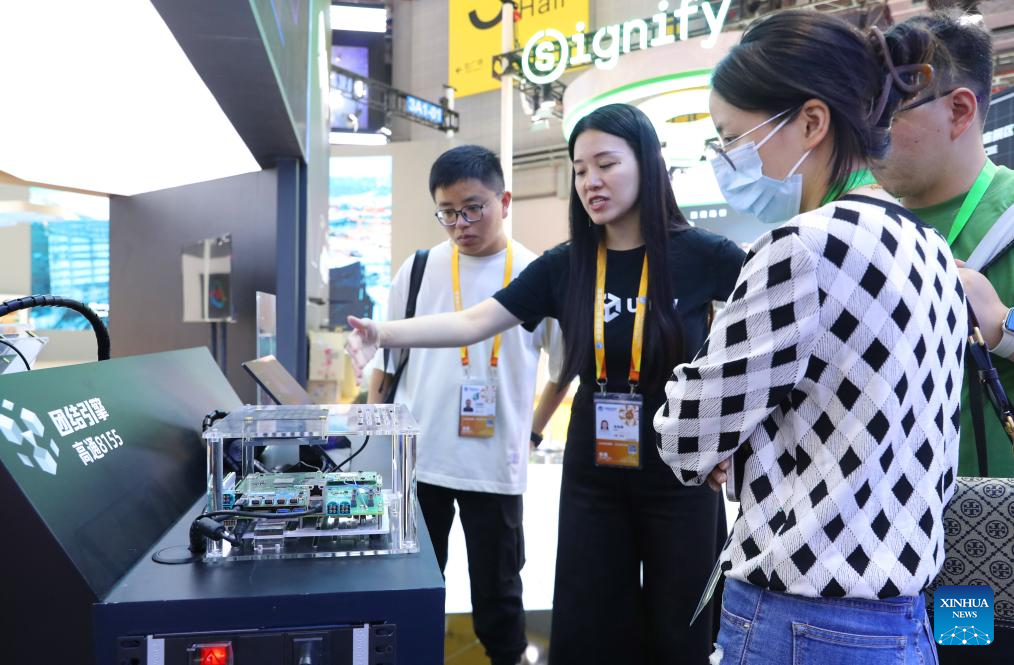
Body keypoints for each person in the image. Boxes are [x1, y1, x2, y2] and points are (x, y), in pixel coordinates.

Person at [347, 104, 745, 664]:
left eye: (606, 164)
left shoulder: (708, 256)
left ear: (648, 164)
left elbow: (766, 344)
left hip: (679, 470)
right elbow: (473, 321)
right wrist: (381, 332)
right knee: (589, 622)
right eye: (580, 170)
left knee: (681, 627)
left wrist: (734, 434)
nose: (591, 181)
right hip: (594, 471)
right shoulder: (567, 264)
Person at [654, 10, 966, 664]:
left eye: (731, 138)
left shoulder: (801, 248)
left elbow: (688, 437)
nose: (723, 160)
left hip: (802, 619)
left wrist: (724, 438)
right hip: (905, 619)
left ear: (811, 122)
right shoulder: (931, 247)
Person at [365, 144, 560, 665]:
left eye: (474, 208)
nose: (461, 224)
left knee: (499, 593)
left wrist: (533, 431)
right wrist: (376, 443)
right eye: (448, 212)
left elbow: (563, 370)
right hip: (419, 459)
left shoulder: (536, 273)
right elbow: (386, 363)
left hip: (494, 467)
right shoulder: (419, 268)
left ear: (504, 201)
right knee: (413, 585)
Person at [871, 10, 1014, 476]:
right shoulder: (863, 227)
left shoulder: (1008, 214)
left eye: (885, 115)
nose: (868, 136)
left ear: (959, 111)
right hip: (887, 507)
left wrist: (1003, 326)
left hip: (993, 507)